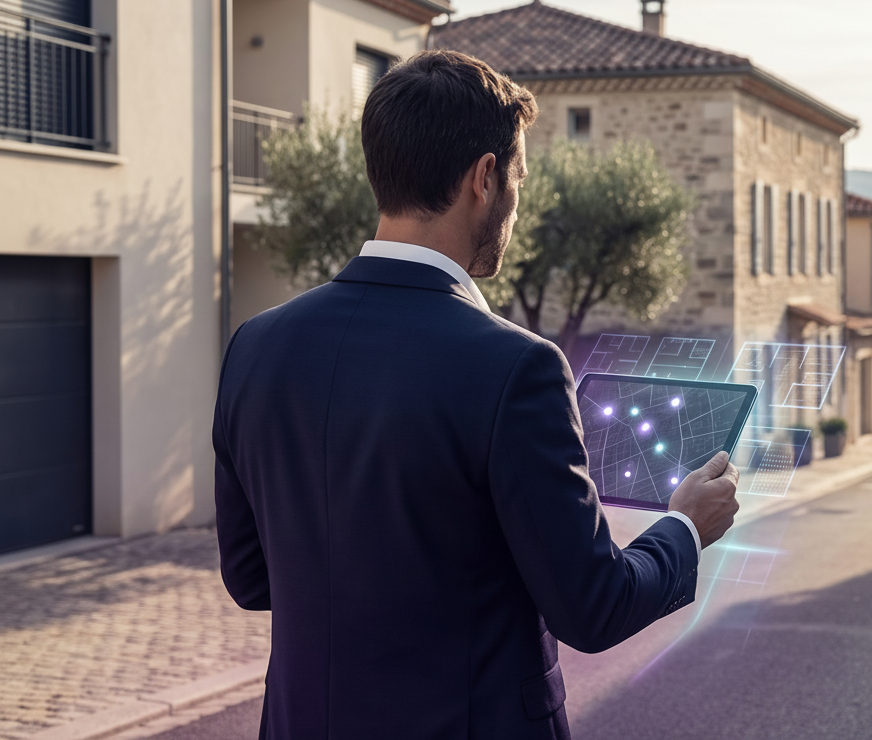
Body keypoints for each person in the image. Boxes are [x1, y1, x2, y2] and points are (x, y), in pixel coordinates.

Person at [213, 50, 740, 740]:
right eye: (519, 176)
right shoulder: (517, 368)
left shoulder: (255, 345)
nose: (517, 203)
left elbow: (251, 580)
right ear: (484, 179)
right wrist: (685, 527)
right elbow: (594, 607)